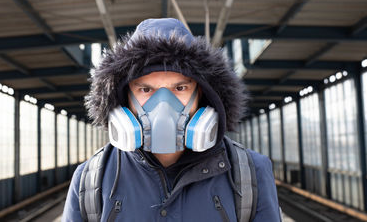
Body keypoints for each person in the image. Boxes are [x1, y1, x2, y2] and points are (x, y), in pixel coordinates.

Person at [62, 18, 281, 221]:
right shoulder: (90, 180)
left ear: (203, 93)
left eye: (180, 87)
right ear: (125, 97)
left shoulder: (249, 172)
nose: (164, 104)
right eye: (146, 89)